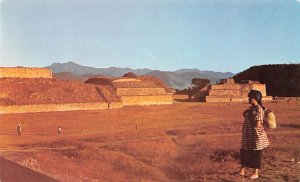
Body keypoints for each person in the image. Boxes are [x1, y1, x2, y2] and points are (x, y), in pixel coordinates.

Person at [239, 90, 269, 179]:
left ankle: (255, 173)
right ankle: (242, 170)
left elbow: (258, 124)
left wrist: (251, 116)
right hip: (248, 135)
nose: (248, 99)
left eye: (250, 97)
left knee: (256, 153)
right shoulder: (251, 108)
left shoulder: (259, 109)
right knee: (244, 151)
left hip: (256, 136)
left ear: (255, 98)